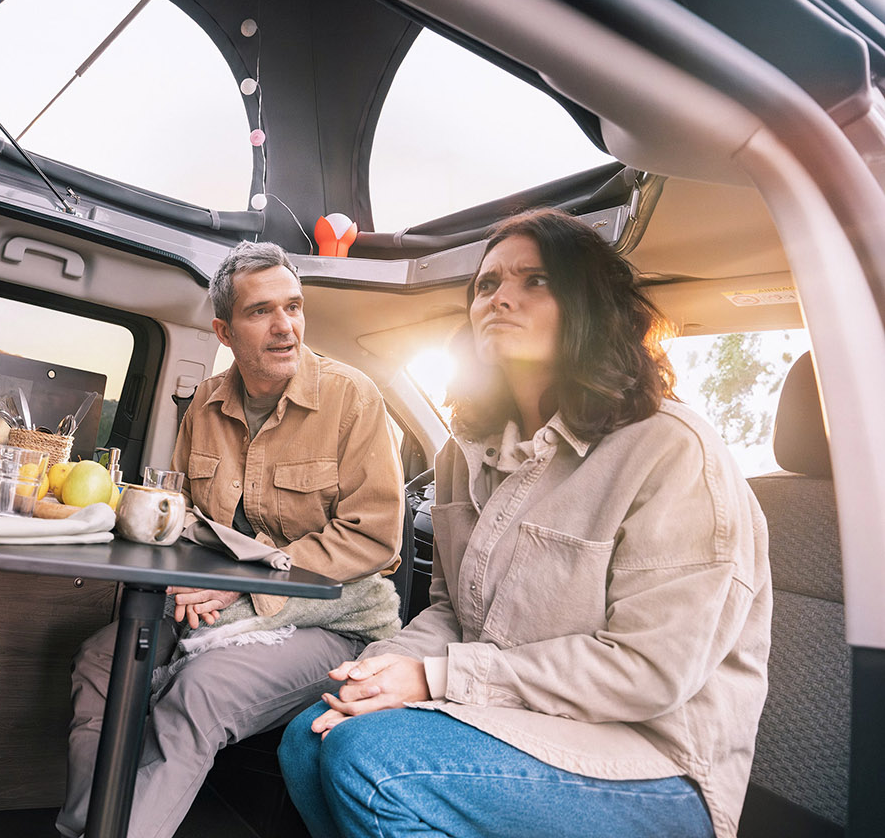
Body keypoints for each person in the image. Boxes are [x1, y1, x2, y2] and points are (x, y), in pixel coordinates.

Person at [278, 208, 772, 838]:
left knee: (376, 762)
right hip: (515, 721)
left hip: (655, 764)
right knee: (308, 737)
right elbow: (454, 612)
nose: (500, 298)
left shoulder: (671, 451)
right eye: (486, 285)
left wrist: (434, 677)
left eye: (535, 281)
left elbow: (650, 669)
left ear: (589, 308)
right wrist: (380, 670)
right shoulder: (465, 452)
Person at [57, 240, 405, 838]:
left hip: (332, 620)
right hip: (214, 597)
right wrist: (191, 582)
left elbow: (373, 539)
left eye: (293, 307)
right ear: (224, 330)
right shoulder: (205, 407)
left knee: (201, 692)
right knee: (100, 663)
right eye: (260, 312)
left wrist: (247, 587)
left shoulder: (353, 399)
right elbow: (187, 516)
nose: (284, 327)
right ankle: (92, 827)